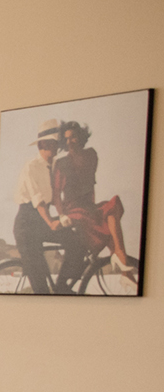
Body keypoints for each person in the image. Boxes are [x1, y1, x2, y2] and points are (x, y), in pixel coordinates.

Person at [52, 120, 136, 288]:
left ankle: (121, 261)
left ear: (81, 137)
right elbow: (56, 195)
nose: (69, 142)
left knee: (113, 205)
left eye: (73, 137)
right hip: (73, 209)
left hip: (88, 206)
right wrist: (61, 215)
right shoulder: (61, 164)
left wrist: (93, 208)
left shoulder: (91, 155)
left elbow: (90, 186)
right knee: (105, 222)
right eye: (66, 139)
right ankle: (122, 263)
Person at [11, 119, 76, 295]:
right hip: (27, 223)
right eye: (53, 143)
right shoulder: (31, 166)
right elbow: (38, 200)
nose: (56, 148)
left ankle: (62, 285)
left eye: (57, 144)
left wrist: (65, 216)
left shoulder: (55, 165)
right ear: (42, 144)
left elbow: (56, 197)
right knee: (40, 285)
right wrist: (51, 222)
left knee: (75, 240)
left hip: (42, 219)